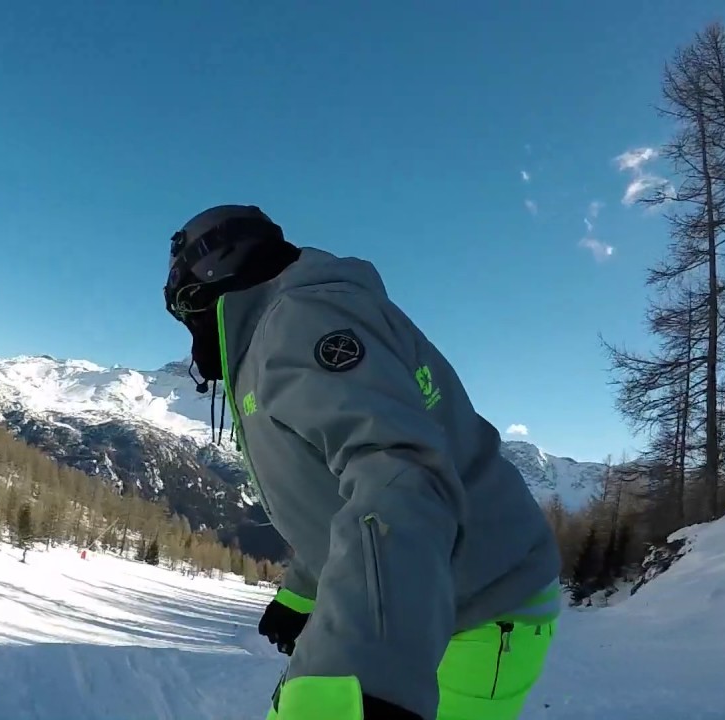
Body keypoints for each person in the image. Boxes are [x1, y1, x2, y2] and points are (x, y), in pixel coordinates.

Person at [163, 205, 561, 720]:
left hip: (480, 607)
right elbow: (337, 490)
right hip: (424, 593)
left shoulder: (301, 322)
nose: (191, 334)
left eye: (188, 310)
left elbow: (396, 474)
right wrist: (304, 591)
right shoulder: (283, 329)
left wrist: (370, 672)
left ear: (209, 283)